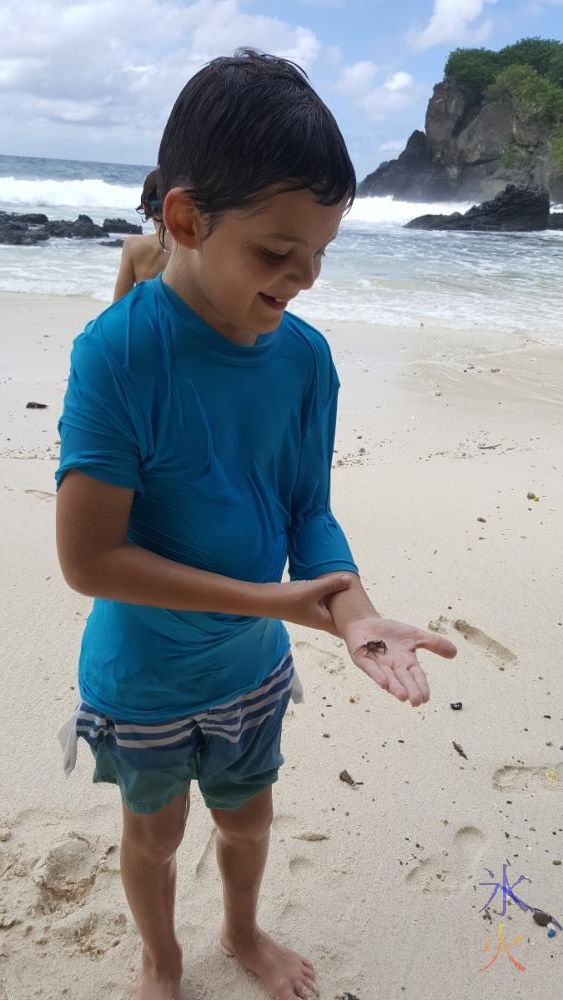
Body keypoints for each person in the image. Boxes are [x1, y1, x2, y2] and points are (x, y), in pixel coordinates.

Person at [55, 50, 457, 1000]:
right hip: (142, 680)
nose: (305, 277)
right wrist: (269, 600)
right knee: (152, 839)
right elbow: (88, 558)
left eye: (321, 252)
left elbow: (305, 512)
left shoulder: (305, 361)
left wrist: (352, 609)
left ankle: (241, 930)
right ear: (187, 220)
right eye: (277, 254)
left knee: (246, 823)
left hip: (248, 676)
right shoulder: (116, 357)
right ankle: (161, 958)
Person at [112, 168, 171, 300]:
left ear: (145, 207)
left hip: (146, 320)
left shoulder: (133, 246)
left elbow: (118, 304)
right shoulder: (190, 247)